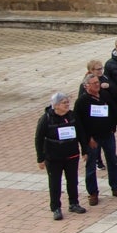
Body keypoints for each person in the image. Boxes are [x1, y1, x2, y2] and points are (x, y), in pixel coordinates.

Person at [74, 74, 117, 202]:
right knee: (91, 165)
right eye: (94, 83)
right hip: (92, 139)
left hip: (108, 135)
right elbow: (79, 124)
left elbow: (113, 110)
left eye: (97, 82)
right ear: (86, 86)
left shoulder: (105, 95)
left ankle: (116, 187)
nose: (97, 85)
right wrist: (88, 139)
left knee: (112, 162)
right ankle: (93, 193)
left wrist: (113, 126)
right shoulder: (82, 102)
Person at [35, 92, 86, 220]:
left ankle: (74, 203)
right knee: (55, 183)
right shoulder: (46, 119)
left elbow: (81, 132)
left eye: (67, 102)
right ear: (56, 105)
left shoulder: (72, 116)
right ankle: (56, 208)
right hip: (53, 158)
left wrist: (85, 150)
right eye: (64, 103)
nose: (67, 104)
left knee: (72, 180)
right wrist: (40, 158)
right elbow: (38, 139)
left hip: (71, 155)